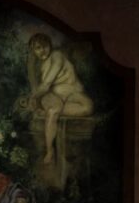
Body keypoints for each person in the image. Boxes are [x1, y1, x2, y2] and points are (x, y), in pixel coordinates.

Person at [23, 33, 93, 165]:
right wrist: (34, 98)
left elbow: (47, 83)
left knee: (88, 107)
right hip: (52, 96)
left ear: (50, 46)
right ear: (33, 50)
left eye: (45, 46)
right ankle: (50, 151)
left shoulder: (57, 56)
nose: (42, 50)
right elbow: (45, 87)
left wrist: (33, 98)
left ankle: (45, 111)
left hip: (72, 95)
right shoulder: (41, 65)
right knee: (54, 108)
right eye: (38, 48)